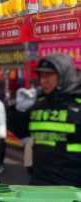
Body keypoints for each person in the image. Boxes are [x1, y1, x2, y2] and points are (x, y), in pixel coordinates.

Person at [24, 55, 81, 186]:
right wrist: (17, 109)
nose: (43, 81)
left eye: (48, 76)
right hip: (39, 181)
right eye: (41, 76)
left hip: (72, 185)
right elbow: (20, 130)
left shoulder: (78, 105)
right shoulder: (39, 103)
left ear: (63, 76)